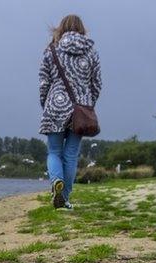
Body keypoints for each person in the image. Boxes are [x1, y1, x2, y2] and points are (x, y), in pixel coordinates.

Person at [39, 14, 102, 209]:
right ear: (82, 29)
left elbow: (44, 82)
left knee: (54, 152)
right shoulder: (91, 52)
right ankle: (64, 198)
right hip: (81, 108)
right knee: (71, 154)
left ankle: (56, 182)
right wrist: (88, 105)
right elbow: (97, 83)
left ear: (61, 28)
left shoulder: (52, 50)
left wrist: (46, 104)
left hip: (55, 106)